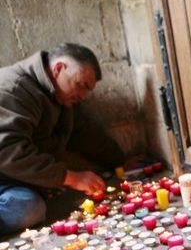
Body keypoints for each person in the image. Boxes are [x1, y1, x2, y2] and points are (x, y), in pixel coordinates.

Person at [0, 43, 124, 236]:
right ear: (59, 69)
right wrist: (70, 178)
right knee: (28, 209)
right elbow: (7, 151)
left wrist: (120, 161)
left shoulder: (62, 96)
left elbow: (86, 134)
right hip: (5, 178)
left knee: (33, 203)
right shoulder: (13, 89)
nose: (83, 96)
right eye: (81, 85)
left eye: (87, 90)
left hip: (16, 181)